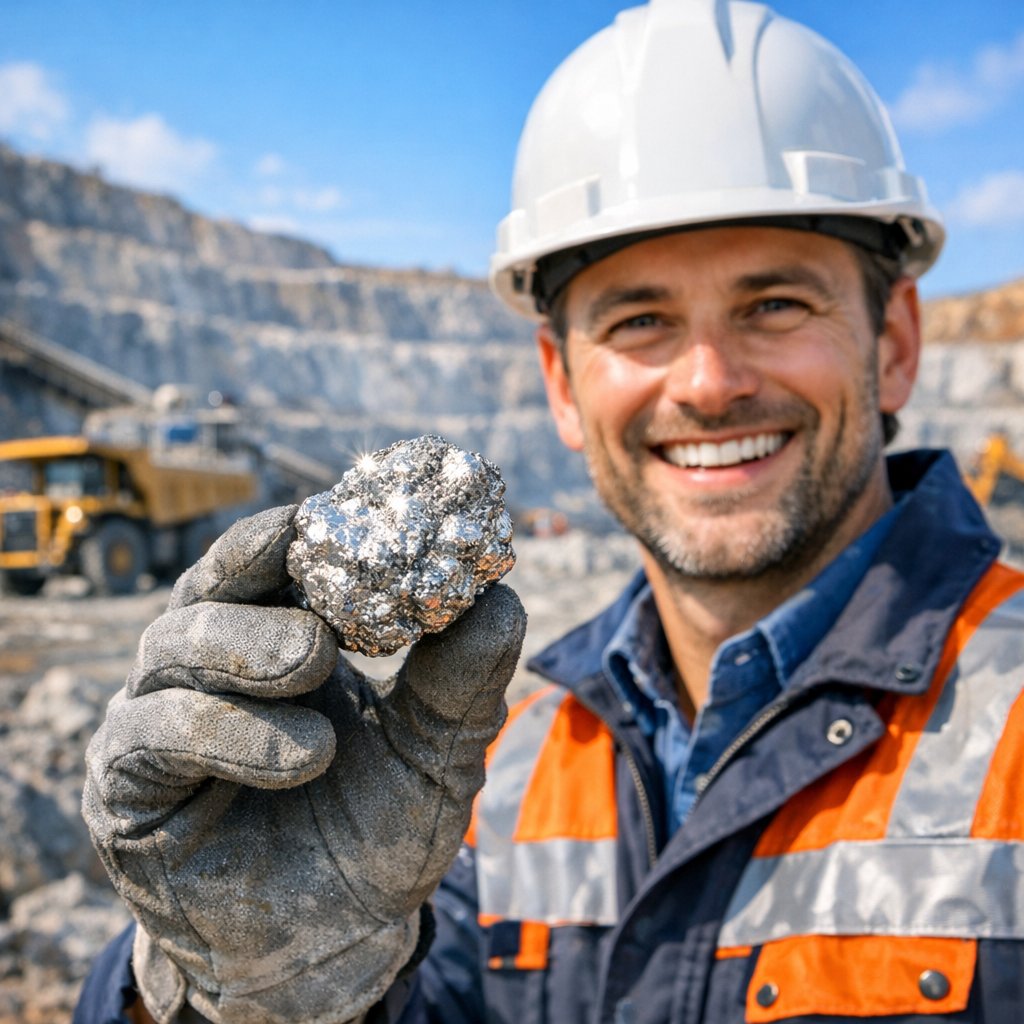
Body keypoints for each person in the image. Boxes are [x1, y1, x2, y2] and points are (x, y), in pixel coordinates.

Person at [77, 1, 1024, 1022]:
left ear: (893, 344)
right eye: (640, 320)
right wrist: (243, 994)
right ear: (562, 385)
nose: (706, 383)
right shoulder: (506, 760)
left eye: (775, 304)